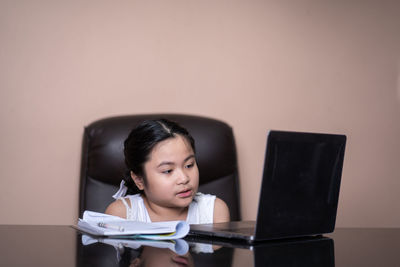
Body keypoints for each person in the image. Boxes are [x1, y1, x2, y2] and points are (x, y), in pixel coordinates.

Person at [105, 118, 230, 224]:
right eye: (168, 171)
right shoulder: (122, 215)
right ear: (139, 180)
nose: (184, 178)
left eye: (189, 165)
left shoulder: (214, 212)